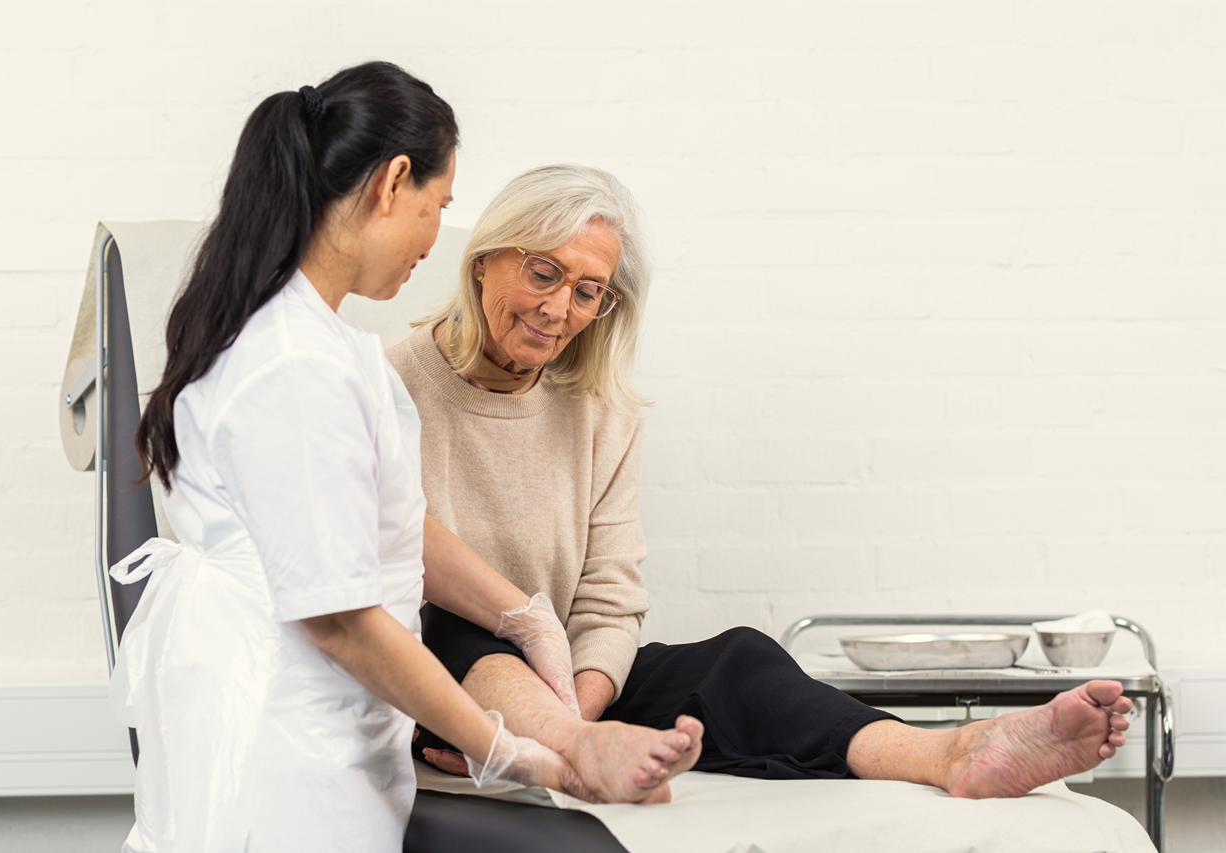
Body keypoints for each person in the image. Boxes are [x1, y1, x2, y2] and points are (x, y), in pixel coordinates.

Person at [388, 163, 1134, 802]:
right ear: (485, 256)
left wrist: (579, 714)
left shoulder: (599, 413)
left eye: (588, 292)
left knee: (737, 659)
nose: (558, 310)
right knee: (448, 620)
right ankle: (576, 748)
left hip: (561, 697)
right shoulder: (385, 383)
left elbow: (609, 599)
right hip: (432, 687)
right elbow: (382, 578)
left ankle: (953, 754)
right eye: (544, 272)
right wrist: (543, 720)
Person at [116, 66, 700, 853]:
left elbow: (389, 524)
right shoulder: (294, 366)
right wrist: (512, 749)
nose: (436, 239)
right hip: (280, 744)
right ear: (395, 182)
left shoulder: (326, 346)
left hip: (326, 729)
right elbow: (343, 619)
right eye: (441, 207)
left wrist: (524, 616)